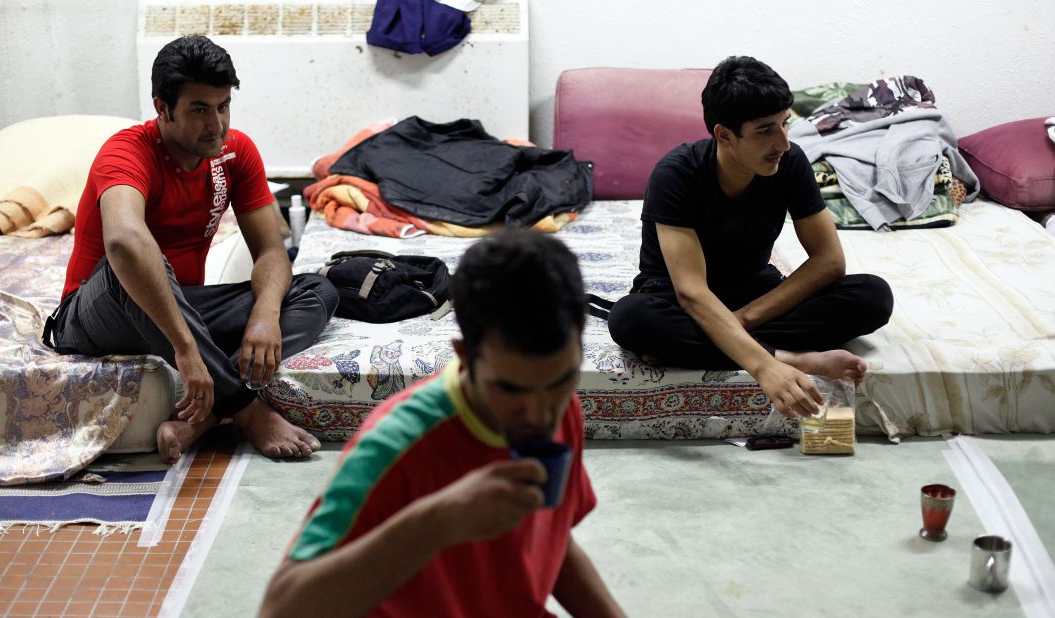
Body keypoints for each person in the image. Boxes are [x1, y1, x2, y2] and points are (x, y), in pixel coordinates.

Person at [260, 231, 624, 618]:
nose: (538, 415)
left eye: (560, 380)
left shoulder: (560, 409)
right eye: (509, 388)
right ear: (465, 357)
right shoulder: (397, 444)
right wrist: (438, 521)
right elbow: (282, 608)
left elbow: (551, 535)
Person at [42, 36, 339, 462]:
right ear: (162, 108)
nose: (216, 124)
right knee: (133, 261)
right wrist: (185, 349)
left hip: (180, 308)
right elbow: (124, 242)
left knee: (316, 290)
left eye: (223, 106)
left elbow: (273, 252)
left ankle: (205, 415)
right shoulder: (126, 152)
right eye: (199, 109)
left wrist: (265, 315)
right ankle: (246, 410)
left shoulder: (235, 152)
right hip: (94, 316)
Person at [608, 55, 893, 419]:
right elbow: (691, 292)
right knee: (631, 319)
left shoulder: (789, 163)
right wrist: (766, 366)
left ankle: (705, 344)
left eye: (784, 124)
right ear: (724, 135)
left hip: (754, 294)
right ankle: (794, 357)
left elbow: (829, 261)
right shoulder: (675, 175)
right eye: (764, 130)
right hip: (678, 300)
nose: (783, 143)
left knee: (872, 296)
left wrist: (739, 322)